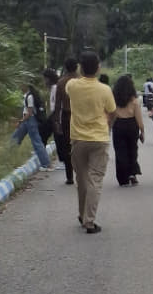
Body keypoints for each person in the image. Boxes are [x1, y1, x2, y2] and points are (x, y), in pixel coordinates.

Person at [65, 50, 117, 233]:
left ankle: (82, 214)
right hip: (99, 139)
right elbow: (112, 111)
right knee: (95, 180)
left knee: (82, 179)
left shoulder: (72, 85)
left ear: (80, 67)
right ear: (98, 68)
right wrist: (108, 125)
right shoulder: (105, 89)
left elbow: (70, 88)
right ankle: (89, 221)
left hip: (78, 139)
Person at [111, 74, 145, 186]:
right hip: (131, 126)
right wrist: (142, 131)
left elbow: (112, 115)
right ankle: (132, 174)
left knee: (120, 152)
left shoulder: (114, 100)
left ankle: (123, 178)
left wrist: (109, 127)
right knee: (132, 150)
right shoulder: (134, 101)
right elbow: (138, 118)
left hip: (118, 125)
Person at [12, 81, 52, 169]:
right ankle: (9, 159)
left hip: (30, 121)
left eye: (21, 85)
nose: (20, 87)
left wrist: (21, 120)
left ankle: (46, 164)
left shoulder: (30, 96)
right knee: (15, 138)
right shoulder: (27, 95)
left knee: (37, 142)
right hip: (27, 121)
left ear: (26, 85)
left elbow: (29, 112)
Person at [53, 57, 78, 185]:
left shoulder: (61, 82)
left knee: (68, 146)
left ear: (65, 67)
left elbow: (57, 104)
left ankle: (69, 176)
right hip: (80, 115)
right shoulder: (81, 81)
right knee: (80, 143)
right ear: (77, 67)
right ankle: (81, 173)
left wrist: (56, 121)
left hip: (67, 116)